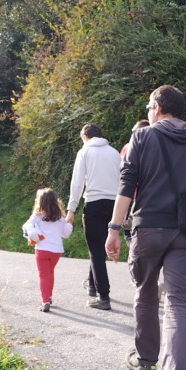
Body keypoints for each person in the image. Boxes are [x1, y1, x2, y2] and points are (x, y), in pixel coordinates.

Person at [105, 85, 186, 370]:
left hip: (149, 229)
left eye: (148, 107)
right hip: (185, 231)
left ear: (157, 107)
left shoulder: (142, 137)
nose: (148, 112)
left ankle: (146, 361)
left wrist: (114, 228)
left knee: (146, 294)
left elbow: (127, 186)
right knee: (178, 303)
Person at [66, 123, 121, 310]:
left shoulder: (85, 152)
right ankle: (92, 285)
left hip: (95, 204)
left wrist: (71, 209)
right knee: (99, 248)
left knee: (96, 250)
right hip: (115, 205)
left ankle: (103, 296)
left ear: (85, 137)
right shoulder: (114, 153)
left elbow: (77, 183)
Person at [22, 188, 74, 312]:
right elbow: (66, 234)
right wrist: (69, 223)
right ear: (56, 201)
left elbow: (26, 225)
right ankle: (49, 296)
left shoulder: (37, 216)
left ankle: (45, 301)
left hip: (42, 249)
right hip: (56, 251)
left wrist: (32, 233)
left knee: (44, 275)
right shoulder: (60, 218)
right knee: (49, 273)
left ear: (40, 202)